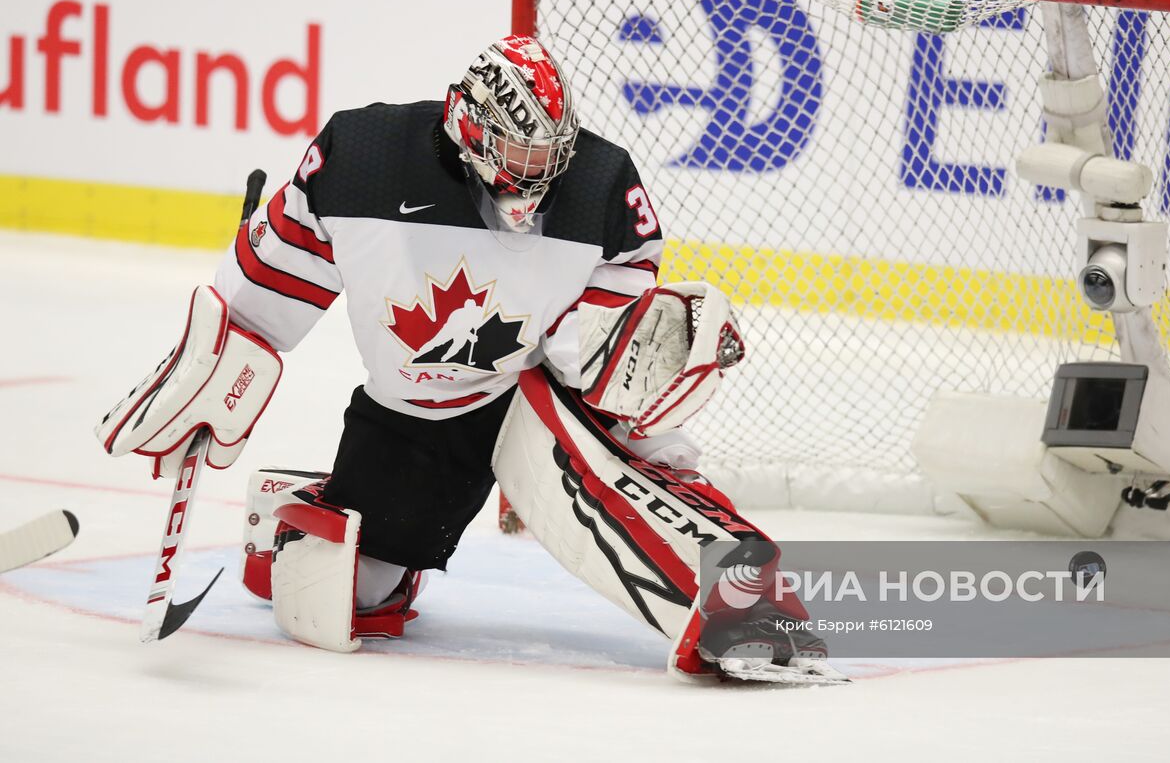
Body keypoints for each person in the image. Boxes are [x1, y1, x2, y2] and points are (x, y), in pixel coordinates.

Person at [95, 35, 842, 683]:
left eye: (551, 155)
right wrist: (213, 367)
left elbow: (606, 343)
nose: (539, 174)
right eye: (520, 155)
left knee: (604, 452)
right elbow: (267, 289)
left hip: (530, 392)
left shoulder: (601, 189)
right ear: (471, 129)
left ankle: (743, 600)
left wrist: (645, 360)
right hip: (415, 419)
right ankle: (306, 510)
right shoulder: (361, 161)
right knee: (340, 598)